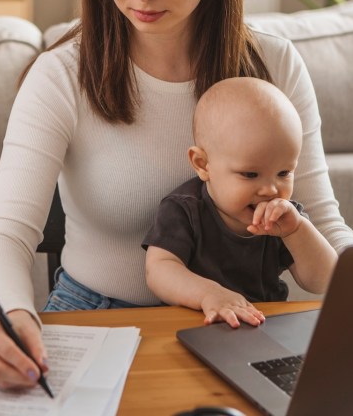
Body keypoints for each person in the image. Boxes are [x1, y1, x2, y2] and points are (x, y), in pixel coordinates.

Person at [0, 0, 353, 391]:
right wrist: (10, 318)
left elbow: (324, 223)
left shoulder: (273, 64)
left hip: (240, 326)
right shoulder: (60, 76)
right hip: (96, 316)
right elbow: (4, 233)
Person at [143, 77, 338, 329]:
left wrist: (296, 231)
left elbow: (323, 281)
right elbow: (158, 270)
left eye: (284, 173)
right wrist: (208, 294)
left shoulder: (285, 219)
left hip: (264, 327)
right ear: (203, 164)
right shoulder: (184, 209)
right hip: (195, 323)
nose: (271, 189)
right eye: (250, 174)